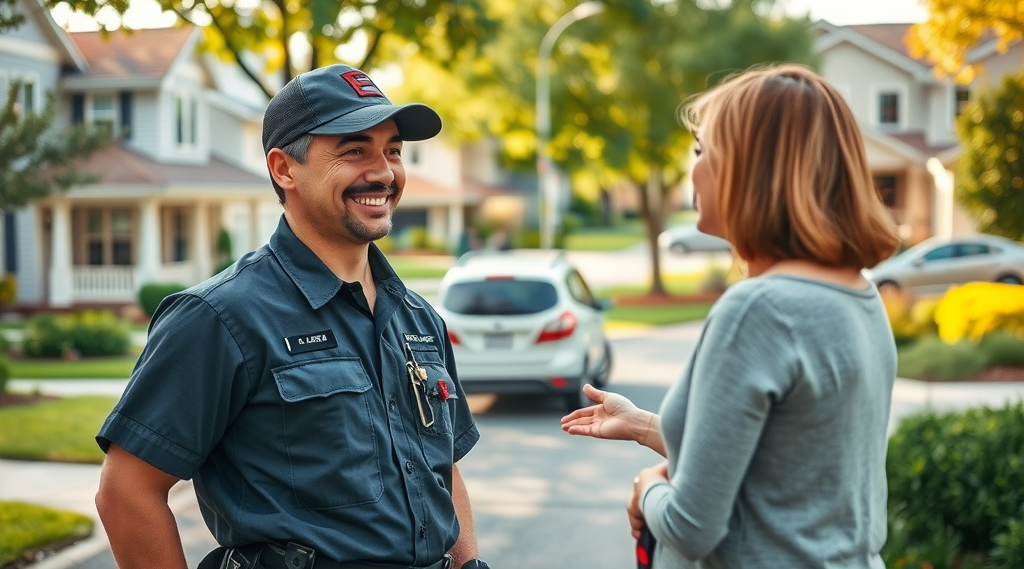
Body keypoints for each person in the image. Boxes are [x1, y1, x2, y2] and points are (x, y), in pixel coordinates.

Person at [94, 64, 490, 569]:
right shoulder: (219, 317)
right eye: (354, 150)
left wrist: (470, 563)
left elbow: (442, 470)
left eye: (393, 150)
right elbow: (127, 493)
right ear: (284, 169)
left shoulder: (418, 320)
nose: (384, 172)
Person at [561, 63, 900, 569]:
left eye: (701, 151)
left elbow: (691, 528)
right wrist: (642, 425)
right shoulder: (857, 297)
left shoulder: (758, 310)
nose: (691, 169)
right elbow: (778, 469)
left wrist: (646, 489)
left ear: (752, 169)